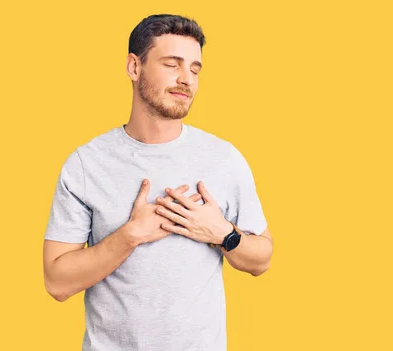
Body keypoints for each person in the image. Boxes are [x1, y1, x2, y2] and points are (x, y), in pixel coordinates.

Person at [42, 14, 273, 351]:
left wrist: (223, 234)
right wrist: (130, 235)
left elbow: (262, 258)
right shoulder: (86, 164)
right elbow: (56, 282)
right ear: (134, 68)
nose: (186, 79)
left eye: (195, 69)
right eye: (172, 64)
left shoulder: (224, 159)